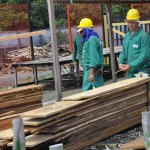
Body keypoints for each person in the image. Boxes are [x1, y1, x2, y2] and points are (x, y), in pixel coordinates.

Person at [118, 8, 150, 78]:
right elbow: (124, 52)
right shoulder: (127, 36)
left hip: (141, 73)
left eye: (133, 22)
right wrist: (120, 62)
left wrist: (131, 65)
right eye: (129, 22)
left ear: (137, 22)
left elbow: (144, 55)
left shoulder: (143, 36)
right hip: (129, 73)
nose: (130, 24)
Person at [77, 18, 104, 91]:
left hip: (91, 70)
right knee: (99, 90)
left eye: (81, 31)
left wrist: (91, 73)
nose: (80, 33)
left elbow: (93, 57)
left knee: (87, 92)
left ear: (86, 30)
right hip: (93, 70)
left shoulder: (92, 40)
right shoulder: (90, 39)